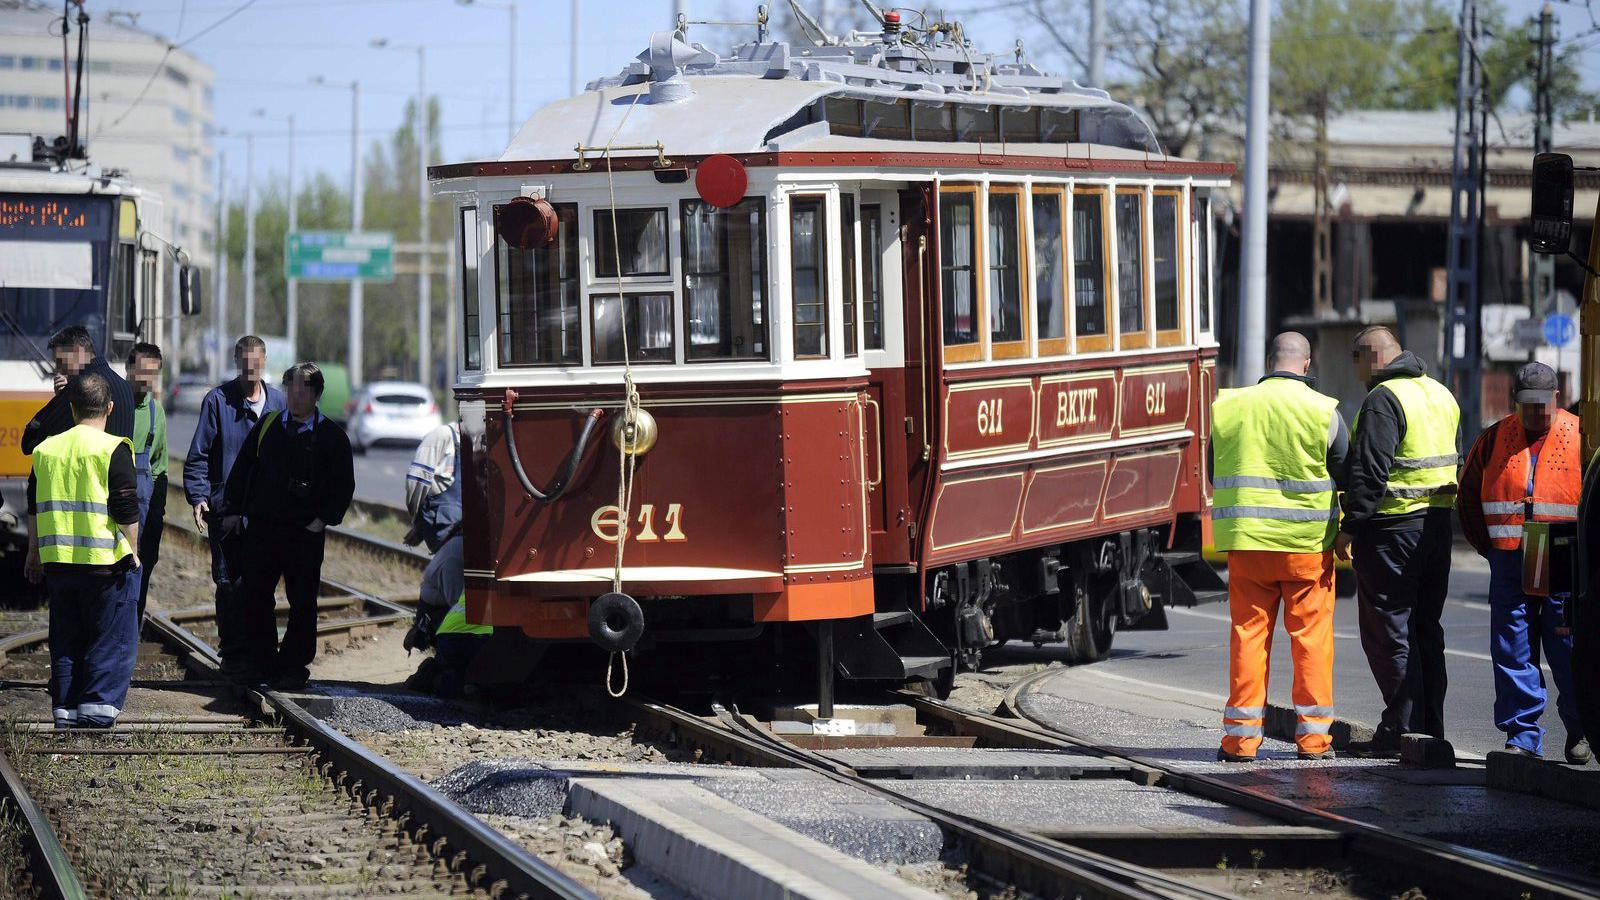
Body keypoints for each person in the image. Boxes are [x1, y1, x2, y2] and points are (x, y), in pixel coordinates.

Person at [1210, 333, 1349, 762]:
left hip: (1248, 546)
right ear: (1306, 364)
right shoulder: (1324, 411)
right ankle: (1313, 742)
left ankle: (1240, 742)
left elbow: (1218, 469)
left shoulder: (1230, 406)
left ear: (1269, 362)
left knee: (1248, 638)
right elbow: (1346, 471)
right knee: (1310, 641)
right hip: (1307, 549)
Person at [1335, 326, 1460, 757]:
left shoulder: (1383, 400)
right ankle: (1430, 728)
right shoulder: (1440, 394)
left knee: (1389, 629)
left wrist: (1349, 527)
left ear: (1370, 357)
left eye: (1357, 365)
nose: (1358, 377)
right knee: (1426, 628)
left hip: (1392, 531)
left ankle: (1404, 729)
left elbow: (1370, 473)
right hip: (1438, 527)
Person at [1458, 363, 1589, 763]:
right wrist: (1492, 550)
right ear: (1516, 403)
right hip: (1511, 557)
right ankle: (1523, 734)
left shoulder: (1581, 434)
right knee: (1513, 647)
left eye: (1542, 405)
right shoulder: (1495, 438)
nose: (1536, 413)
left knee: (1568, 646)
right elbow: (1468, 499)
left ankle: (1580, 727)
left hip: (1562, 556)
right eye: (1527, 405)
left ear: (1557, 398)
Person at [223, 363, 355, 689]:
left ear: (317, 394)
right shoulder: (268, 426)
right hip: (262, 532)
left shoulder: (333, 437)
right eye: (292, 389)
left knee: (303, 601)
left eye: (305, 390)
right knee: (256, 596)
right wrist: (234, 511)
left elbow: (343, 487)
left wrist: (321, 520)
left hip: (304, 536)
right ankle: (261, 663)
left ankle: (294, 666)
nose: (297, 396)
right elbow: (242, 471)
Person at [23, 373, 141, 728]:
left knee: (65, 636)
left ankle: (65, 710)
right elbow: (126, 508)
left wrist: (33, 552)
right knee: (107, 636)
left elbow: (33, 506)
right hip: (103, 563)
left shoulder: (45, 451)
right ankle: (98, 711)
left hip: (58, 562)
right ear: (109, 408)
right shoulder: (113, 448)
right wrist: (133, 550)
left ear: (72, 409)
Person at [182, 336, 284, 680]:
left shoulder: (280, 403)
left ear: (265, 361)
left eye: (256, 361)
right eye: (245, 361)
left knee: (262, 584)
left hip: (266, 515)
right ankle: (234, 655)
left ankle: (262, 655)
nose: (251, 368)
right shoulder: (218, 401)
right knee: (228, 584)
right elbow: (198, 456)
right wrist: (199, 497)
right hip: (225, 512)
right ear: (237, 360)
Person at [21, 325, 134, 454]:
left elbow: (29, 443)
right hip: (120, 472)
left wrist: (61, 396)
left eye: (60, 361)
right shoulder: (125, 387)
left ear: (77, 351)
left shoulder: (78, 389)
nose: (59, 370)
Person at [127, 343, 168, 620]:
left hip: (144, 509)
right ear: (129, 369)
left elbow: (159, 469)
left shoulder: (157, 413)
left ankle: (133, 629)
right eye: (141, 371)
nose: (145, 379)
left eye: (152, 374)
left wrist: (155, 515)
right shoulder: (113, 406)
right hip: (115, 507)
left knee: (142, 569)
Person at [404, 421, 463, 554]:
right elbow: (417, 480)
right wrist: (418, 522)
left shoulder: (483, 439)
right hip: (444, 522)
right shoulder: (443, 436)